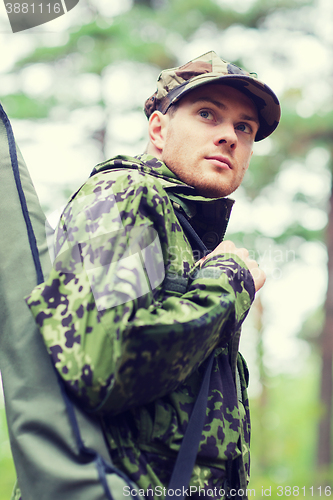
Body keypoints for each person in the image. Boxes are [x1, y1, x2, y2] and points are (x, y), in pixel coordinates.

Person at [26, 51, 280, 498]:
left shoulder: (185, 229)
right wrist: (227, 285)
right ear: (159, 130)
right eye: (208, 114)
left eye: (245, 128)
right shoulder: (127, 195)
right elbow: (107, 360)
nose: (229, 137)